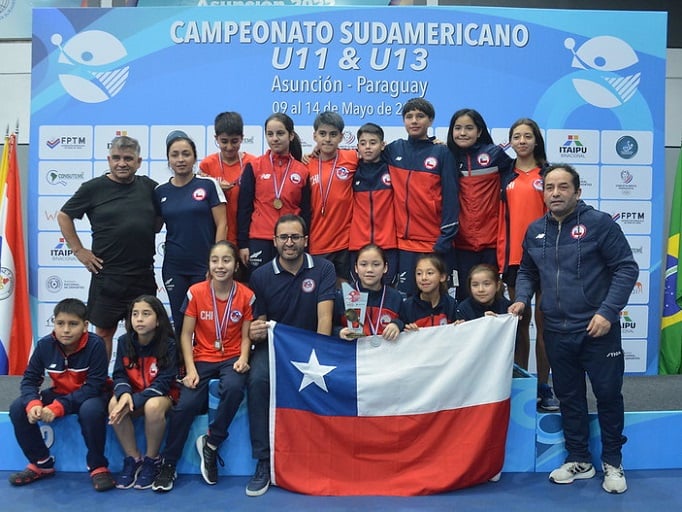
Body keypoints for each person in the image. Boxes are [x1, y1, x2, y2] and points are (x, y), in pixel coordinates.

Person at [508, 164, 638, 495]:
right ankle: (580, 459)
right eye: (549, 187)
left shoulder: (599, 224)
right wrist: (522, 299)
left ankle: (612, 461)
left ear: (577, 192)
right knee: (569, 397)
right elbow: (526, 271)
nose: (555, 193)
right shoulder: (535, 230)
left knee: (608, 396)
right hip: (555, 330)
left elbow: (626, 267)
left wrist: (608, 312)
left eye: (563, 187)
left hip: (598, 330)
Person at [245, 214, 336, 497]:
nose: (289, 243)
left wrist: (317, 357)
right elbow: (258, 324)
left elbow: (325, 318)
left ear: (305, 241)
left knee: (329, 381)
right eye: (283, 237)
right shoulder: (259, 276)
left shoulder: (323, 268)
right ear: (274, 241)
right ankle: (263, 460)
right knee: (257, 381)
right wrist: (255, 331)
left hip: (311, 348)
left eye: (295, 237)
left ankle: (324, 456)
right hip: (274, 348)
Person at [152, 241, 254, 492]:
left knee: (233, 388)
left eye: (226, 260)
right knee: (185, 406)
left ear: (235, 264)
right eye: (215, 260)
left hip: (232, 357)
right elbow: (185, 335)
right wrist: (191, 369)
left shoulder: (246, 295)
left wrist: (243, 359)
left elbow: (246, 335)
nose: (221, 266)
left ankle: (212, 443)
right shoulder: (195, 292)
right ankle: (169, 463)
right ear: (208, 264)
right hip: (202, 358)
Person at [57, 135, 161, 360]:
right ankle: (100, 384)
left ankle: (139, 385)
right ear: (108, 159)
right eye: (116, 158)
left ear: (139, 161)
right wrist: (79, 250)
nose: (121, 163)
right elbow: (64, 215)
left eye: (128, 158)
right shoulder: (93, 188)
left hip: (142, 275)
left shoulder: (150, 187)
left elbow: (162, 216)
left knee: (144, 333)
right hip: (107, 276)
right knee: (103, 333)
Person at [8, 298, 115, 491]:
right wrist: (33, 404)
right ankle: (41, 463)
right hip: (61, 393)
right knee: (18, 408)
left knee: (91, 410)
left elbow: (94, 386)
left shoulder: (96, 345)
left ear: (85, 326)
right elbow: (30, 380)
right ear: (54, 324)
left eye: (73, 324)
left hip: (92, 396)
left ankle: (98, 466)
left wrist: (58, 407)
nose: (66, 330)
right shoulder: (45, 345)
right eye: (60, 323)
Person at [497, 118, 559, 412]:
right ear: (510, 141)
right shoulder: (505, 175)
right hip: (513, 261)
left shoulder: (548, 175)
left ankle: (544, 387)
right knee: (519, 325)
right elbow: (500, 223)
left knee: (545, 326)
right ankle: (522, 385)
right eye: (516, 136)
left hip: (546, 260)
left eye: (527, 136)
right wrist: (500, 263)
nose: (521, 141)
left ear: (536, 141)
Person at [383, 97, 459, 296]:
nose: (414, 121)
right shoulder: (393, 150)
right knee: (406, 302)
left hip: (433, 242)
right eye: (409, 116)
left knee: (435, 302)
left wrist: (445, 238)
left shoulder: (442, 152)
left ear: (431, 121)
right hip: (402, 244)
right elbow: (366, 154)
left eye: (420, 116)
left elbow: (452, 198)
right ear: (403, 121)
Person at [155, 131, 227, 336]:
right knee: (180, 321)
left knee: (206, 320)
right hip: (174, 268)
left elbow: (222, 224)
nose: (180, 159)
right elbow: (154, 226)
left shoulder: (208, 184)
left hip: (203, 266)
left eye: (185, 154)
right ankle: (182, 367)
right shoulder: (161, 192)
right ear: (168, 159)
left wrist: (215, 264)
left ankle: (205, 367)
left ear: (194, 157)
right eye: (175, 154)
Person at [109, 295, 178, 490]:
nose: (139, 319)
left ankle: (152, 459)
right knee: (114, 403)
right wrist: (124, 395)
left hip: (162, 397)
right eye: (135, 314)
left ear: (158, 320)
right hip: (134, 395)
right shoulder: (124, 342)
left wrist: (134, 399)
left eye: (146, 314)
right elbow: (119, 375)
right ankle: (134, 458)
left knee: (153, 405)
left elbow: (165, 382)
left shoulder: (169, 345)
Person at [446, 108, 513, 300]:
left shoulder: (494, 154)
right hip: (461, 243)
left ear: (479, 131)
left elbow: (519, 173)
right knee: (465, 296)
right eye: (458, 128)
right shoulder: (447, 156)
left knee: (492, 295)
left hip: (491, 240)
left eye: (469, 128)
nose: (463, 133)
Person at [237, 113, 310, 275]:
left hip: (290, 240)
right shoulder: (254, 166)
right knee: (259, 289)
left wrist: (305, 242)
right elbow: (244, 208)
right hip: (259, 238)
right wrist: (243, 244)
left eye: (280, 133)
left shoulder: (303, 170)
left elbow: (305, 212)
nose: (275, 138)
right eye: (270, 134)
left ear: (291, 135)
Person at [307, 111, 358, 283]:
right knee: (321, 293)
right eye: (322, 134)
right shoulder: (306, 165)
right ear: (314, 136)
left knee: (347, 294)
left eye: (333, 134)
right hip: (318, 241)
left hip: (345, 242)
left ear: (342, 137)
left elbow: (378, 150)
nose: (328, 139)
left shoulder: (352, 158)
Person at [349, 122, 398, 286]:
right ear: (357, 147)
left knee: (387, 292)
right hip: (358, 245)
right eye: (363, 143)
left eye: (373, 142)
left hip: (388, 244)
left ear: (383, 145)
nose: (368, 147)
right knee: (357, 298)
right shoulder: (351, 170)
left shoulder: (392, 169)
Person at [199, 111, 257, 248]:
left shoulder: (253, 164)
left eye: (234, 141)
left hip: (245, 237)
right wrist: (214, 187)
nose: (229, 147)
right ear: (216, 138)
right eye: (224, 141)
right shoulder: (207, 165)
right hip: (216, 237)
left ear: (242, 138)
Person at [335, 244, 405, 341]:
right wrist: (339, 332)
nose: (369, 270)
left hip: (385, 353)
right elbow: (330, 326)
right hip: (353, 352)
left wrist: (397, 324)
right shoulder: (343, 296)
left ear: (385, 267)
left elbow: (407, 323)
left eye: (376, 264)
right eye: (363, 264)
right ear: (356, 268)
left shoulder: (395, 297)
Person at [403, 253, 458, 329]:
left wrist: (460, 326)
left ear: (442, 277)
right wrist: (401, 327)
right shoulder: (407, 306)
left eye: (429, 273)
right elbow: (399, 329)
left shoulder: (451, 304)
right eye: (419, 273)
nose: (424, 278)